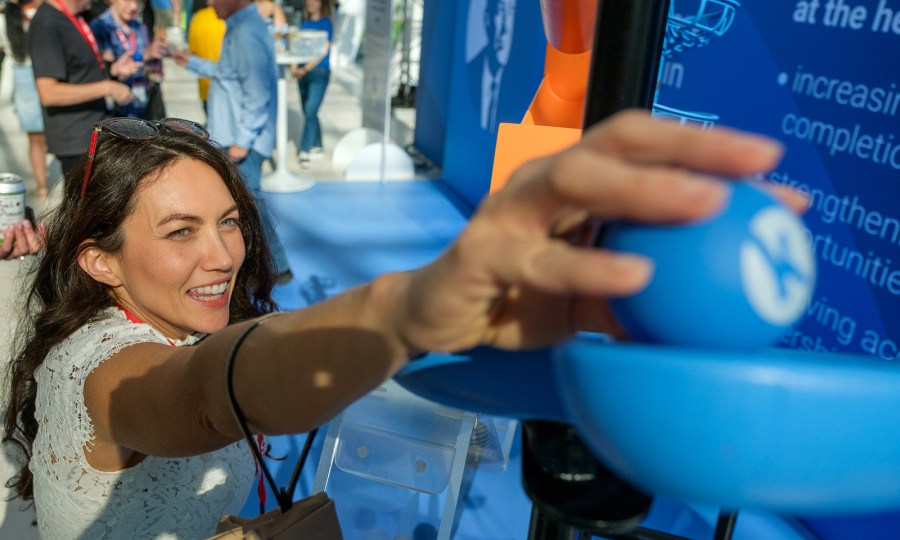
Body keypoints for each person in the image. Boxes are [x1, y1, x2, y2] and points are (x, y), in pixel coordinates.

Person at [1, 111, 805, 538]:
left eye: (229, 221)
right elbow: (209, 397)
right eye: (179, 233)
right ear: (100, 261)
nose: (224, 255)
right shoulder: (100, 369)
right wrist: (412, 306)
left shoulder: (174, 322)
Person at [172, 0, 291, 283]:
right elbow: (229, 75)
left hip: (242, 141)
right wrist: (193, 62)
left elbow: (257, 94)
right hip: (238, 137)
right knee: (247, 204)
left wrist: (243, 141)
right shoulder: (242, 28)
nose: (209, 2)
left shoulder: (246, 32)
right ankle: (273, 267)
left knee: (250, 205)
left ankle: (275, 267)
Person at [27, 0, 136, 178]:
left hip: (94, 132)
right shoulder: (47, 24)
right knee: (85, 205)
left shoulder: (76, 17)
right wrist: (107, 87)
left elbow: (79, 70)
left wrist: (113, 69)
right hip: (75, 140)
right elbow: (49, 93)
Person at [90, 0, 168, 120]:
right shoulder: (100, 27)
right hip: (117, 111)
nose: (133, 6)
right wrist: (145, 55)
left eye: (138, 2)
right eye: (127, 0)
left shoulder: (139, 26)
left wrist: (155, 65)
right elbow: (107, 70)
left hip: (145, 106)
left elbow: (149, 67)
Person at [4, 0, 48, 198]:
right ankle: (42, 185)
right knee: (35, 136)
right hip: (24, 75)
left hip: (50, 70)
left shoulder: (49, 10)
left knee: (54, 131)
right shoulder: (8, 17)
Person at [290, 0, 332, 168]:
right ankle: (318, 145)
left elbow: (323, 50)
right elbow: (294, 45)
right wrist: (294, 67)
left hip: (318, 73)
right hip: (302, 73)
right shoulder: (302, 23)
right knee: (310, 112)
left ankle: (305, 150)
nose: (310, 3)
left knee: (310, 110)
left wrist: (305, 69)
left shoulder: (326, 23)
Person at [466, 0, 516, 133]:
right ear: (487, 19)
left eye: (511, 11)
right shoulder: (469, 73)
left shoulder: (518, 83)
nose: (505, 30)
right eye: (500, 12)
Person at [186, 0, 224, 119]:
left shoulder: (197, 18)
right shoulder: (230, 19)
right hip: (229, 88)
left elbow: (193, 51)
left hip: (206, 87)